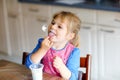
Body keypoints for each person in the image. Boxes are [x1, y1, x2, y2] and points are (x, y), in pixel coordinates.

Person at [25, 11, 81, 80]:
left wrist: (61, 67)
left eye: (59, 26)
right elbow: (28, 65)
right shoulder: (42, 43)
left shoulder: (73, 52)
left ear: (70, 36)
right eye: (53, 23)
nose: (53, 26)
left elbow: (73, 78)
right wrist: (43, 50)